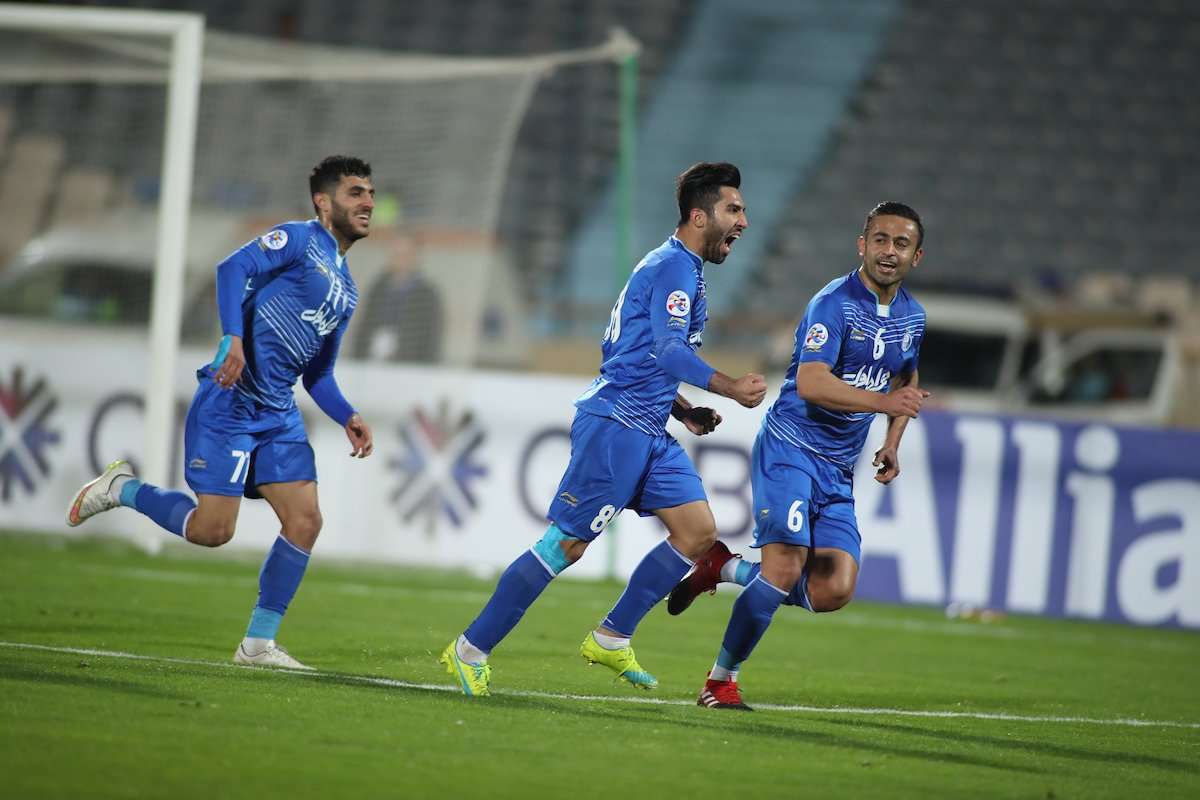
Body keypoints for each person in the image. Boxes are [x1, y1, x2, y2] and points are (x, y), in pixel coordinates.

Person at [441, 162, 767, 696]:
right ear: (698, 214)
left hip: (648, 426)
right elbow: (666, 350)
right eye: (734, 209)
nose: (744, 222)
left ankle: (611, 638)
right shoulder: (674, 270)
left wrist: (681, 410)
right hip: (616, 425)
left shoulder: (679, 268)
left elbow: (631, 353)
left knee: (697, 533)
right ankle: (470, 648)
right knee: (566, 544)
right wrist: (728, 387)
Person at [66, 155, 377, 670]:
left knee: (305, 520)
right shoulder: (298, 240)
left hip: (277, 412)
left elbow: (317, 375)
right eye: (355, 193)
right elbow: (232, 267)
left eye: (369, 194)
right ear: (324, 202)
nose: (367, 203)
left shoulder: (347, 291)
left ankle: (257, 645)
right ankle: (121, 489)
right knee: (212, 532)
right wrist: (233, 337)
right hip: (230, 403)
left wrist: (347, 414)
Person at [668, 202, 930, 710]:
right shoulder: (834, 303)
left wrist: (891, 442)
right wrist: (883, 404)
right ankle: (720, 683)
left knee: (835, 588)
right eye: (879, 240)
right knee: (785, 569)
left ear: (917, 257)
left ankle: (724, 568)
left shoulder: (912, 318)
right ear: (862, 244)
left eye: (900, 244)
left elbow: (906, 383)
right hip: (792, 449)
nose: (888, 252)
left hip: (837, 467)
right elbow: (811, 383)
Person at [351, 231, 443, 363]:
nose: (400, 259)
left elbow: (431, 339)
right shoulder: (377, 288)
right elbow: (362, 330)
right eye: (396, 254)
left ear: (415, 256)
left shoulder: (428, 295)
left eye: (405, 254)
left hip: (408, 367)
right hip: (371, 363)